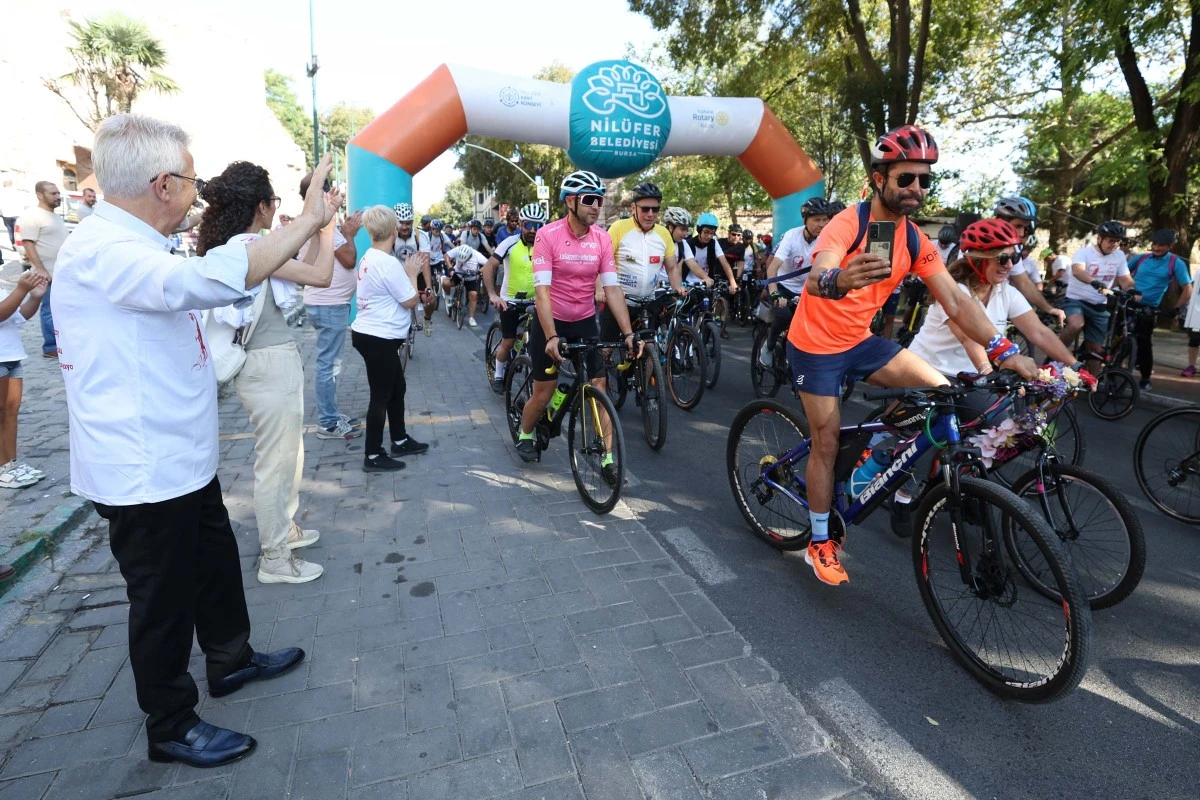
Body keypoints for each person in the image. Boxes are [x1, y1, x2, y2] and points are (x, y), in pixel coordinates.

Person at [53, 114, 334, 768]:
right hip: (144, 467)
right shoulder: (104, 251)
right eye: (192, 179)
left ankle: (231, 658)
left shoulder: (135, 244)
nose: (199, 194)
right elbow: (212, 280)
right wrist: (308, 221)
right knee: (163, 599)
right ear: (162, 183)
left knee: (213, 561)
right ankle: (171, 723)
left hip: (180, 458)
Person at [789, 124, 1036, 586]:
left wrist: (1005, 351)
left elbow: (958, 302)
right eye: (906, 179)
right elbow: (818, 273)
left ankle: (877, 462)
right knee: (824, 441)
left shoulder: (915, 240)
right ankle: (820, 541)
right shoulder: (850, 222)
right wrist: (838, 280)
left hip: (860, 341)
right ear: (880, 178)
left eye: (925, 180)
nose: (917, 189)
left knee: (943, 392)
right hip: (816, 348)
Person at [198, 162, 337, 586]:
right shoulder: (251, 248)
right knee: (276, 463)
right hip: (266, 364)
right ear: (260, 207)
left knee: (288, 456)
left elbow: (305, 270)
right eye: (273, 201)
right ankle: (274, 556)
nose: (276, 209)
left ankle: (286, 530)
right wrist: (326, 229)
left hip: (275, 360)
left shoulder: (257, 245)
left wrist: (315, 231)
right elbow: (321, 275)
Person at [900, 218, 1077, 531]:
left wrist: (1075, 369)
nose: (1010, 264)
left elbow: (1037, 332)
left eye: (1015, 257)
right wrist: (988, 371)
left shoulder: (1005, 292)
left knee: (995, 433)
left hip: (969, 378)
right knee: (918, 440)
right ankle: (901, 495)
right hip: (928, 370)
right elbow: (969, 337)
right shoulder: (953, 291)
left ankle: (960, 487)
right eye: (1003, 258)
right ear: (977, 260)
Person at [514, 170, 638, 475]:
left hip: (584, 320)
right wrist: (552, 336)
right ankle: (526, 433)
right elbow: (542, 292)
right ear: (571, 201)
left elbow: (611, 289)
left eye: (600, 199)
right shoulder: (548, 235)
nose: (597, 205)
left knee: (599, 385)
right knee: (544, 392)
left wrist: (629, 333)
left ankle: (608, 459)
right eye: (590, 199)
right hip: (550, 321)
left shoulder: (602, 238)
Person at [352, 205, 429, 472]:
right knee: (381, 396)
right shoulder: (387, 263)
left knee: (397, 389)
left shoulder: (370, 256)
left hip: (373, 335)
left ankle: (400, 439)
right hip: (378, 338)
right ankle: (372, 455)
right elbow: (410, 300)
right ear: (394, 231)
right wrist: (412, 273)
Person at [302, 202, 363, 440]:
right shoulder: (327, 228)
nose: (337, 208)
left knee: (330, 364)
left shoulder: (320, 226)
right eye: (333, 202)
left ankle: (332, 414)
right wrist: (348, 235)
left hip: (328, 304)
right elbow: (348, 259)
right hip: (328, 305)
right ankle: (328, 422)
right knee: (328, 365)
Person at [760, 197, 836, 368]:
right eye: (817, 219)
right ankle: (769, 345)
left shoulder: (828, 239)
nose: (822, 224)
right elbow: (772, 268)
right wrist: (774, 293)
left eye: (825, 219)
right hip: (784, 287)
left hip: (807, 291)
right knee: (784, 316)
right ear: (805, 220)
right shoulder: (791, 236)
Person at [485, 203, 546, 393]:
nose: (533, 230)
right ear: (521, 224)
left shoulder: (545, 245)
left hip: (536, 301)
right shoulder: (510, 242)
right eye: (529, 225)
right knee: (508, 341)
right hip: (509, 301)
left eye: (539, 226)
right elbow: (489, 267)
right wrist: (493, 295)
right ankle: (499, 375)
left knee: (542, 343)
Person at [1058, 220, 1136, 359]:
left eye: (1118, 241)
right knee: (1076, 324)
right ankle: (1054, 354)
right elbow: (1078, 270)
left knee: (1095, 352)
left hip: (1100, 305)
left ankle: (1093, 380)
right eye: (1111, 241)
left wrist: (1131, 290)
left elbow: (1125, 278)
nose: (1115, 245)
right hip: (1076, 301)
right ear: (1099, 238)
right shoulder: (1085, 253)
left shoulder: (1119, 256)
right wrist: (1094, 282)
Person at [0, 270, 49, 489]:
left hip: (11, 355)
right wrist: (21, 289)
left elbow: (17, 317)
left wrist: (35, 297)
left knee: (11, 412)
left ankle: (10, 464)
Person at [1128, 229, 1192, 389]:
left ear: (1171, 246)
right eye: (1154, 244)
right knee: (1114, 333)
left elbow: (1187, 288)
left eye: (1161, 245)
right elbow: (1122, 273)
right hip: (1129, 301)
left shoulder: (1175, 263)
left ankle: (1145, 378)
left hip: (1149, 307)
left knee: (1144, 342)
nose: (1156, 248)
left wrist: (1176, 309)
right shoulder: (1141, 258)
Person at [993, 197, 1066, 327]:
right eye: (1018, 226)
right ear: (1001, 221)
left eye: (1025, 228)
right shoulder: (974, 246)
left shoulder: (1013, 249)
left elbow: (1024, 282)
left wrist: (1048, 308)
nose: (1021, 233)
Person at [18, 181, 67, 359]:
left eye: (58, 193)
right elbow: (28, 243)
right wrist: (40, 269)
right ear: (40, 195)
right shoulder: (32, 215)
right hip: (46, 273)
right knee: (49, 309)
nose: (57, 196)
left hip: (61, 272)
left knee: (60, 309)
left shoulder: (55, 216)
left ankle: (62, 343)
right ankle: (51, 346)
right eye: (53, 193)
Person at [392, 202, 434, 336]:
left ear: (412, 222)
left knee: (431, 300)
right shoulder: (390, 234)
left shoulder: (420, 236)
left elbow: (425, 262)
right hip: (398, 274)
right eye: (401, 223)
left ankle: (427, 319)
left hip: (417, 273)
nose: (404, 227)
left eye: (408, 223)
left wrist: (428, 286)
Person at [661, 207, 713, 289]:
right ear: (671, 227)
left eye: (686, 230)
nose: (685, 234)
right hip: (655, 286)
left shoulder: (683, 243)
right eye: (682, 229)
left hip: (673, 286)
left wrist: (705, 277)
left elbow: (692, 264)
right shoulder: (658, 241)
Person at [687, 213, 739, 295]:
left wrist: (732, 282)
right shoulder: (689, 243)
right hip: (689, 283)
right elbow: (692, 265)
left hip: (707, 283)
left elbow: (724, 262)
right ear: (699, 230)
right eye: (706, 232)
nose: (709, 236)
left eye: (712, 233)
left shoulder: (713, 243)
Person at [442, 243, 489, 326]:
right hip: (458, 274)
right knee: (445, 283)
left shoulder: (477, 255)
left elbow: (488, 264)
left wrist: (479, 271)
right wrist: (450, 268)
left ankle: (471, 318)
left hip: (471, 277)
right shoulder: (458, 249)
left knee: (473, 295)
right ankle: (449, 297)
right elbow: (446, 256)